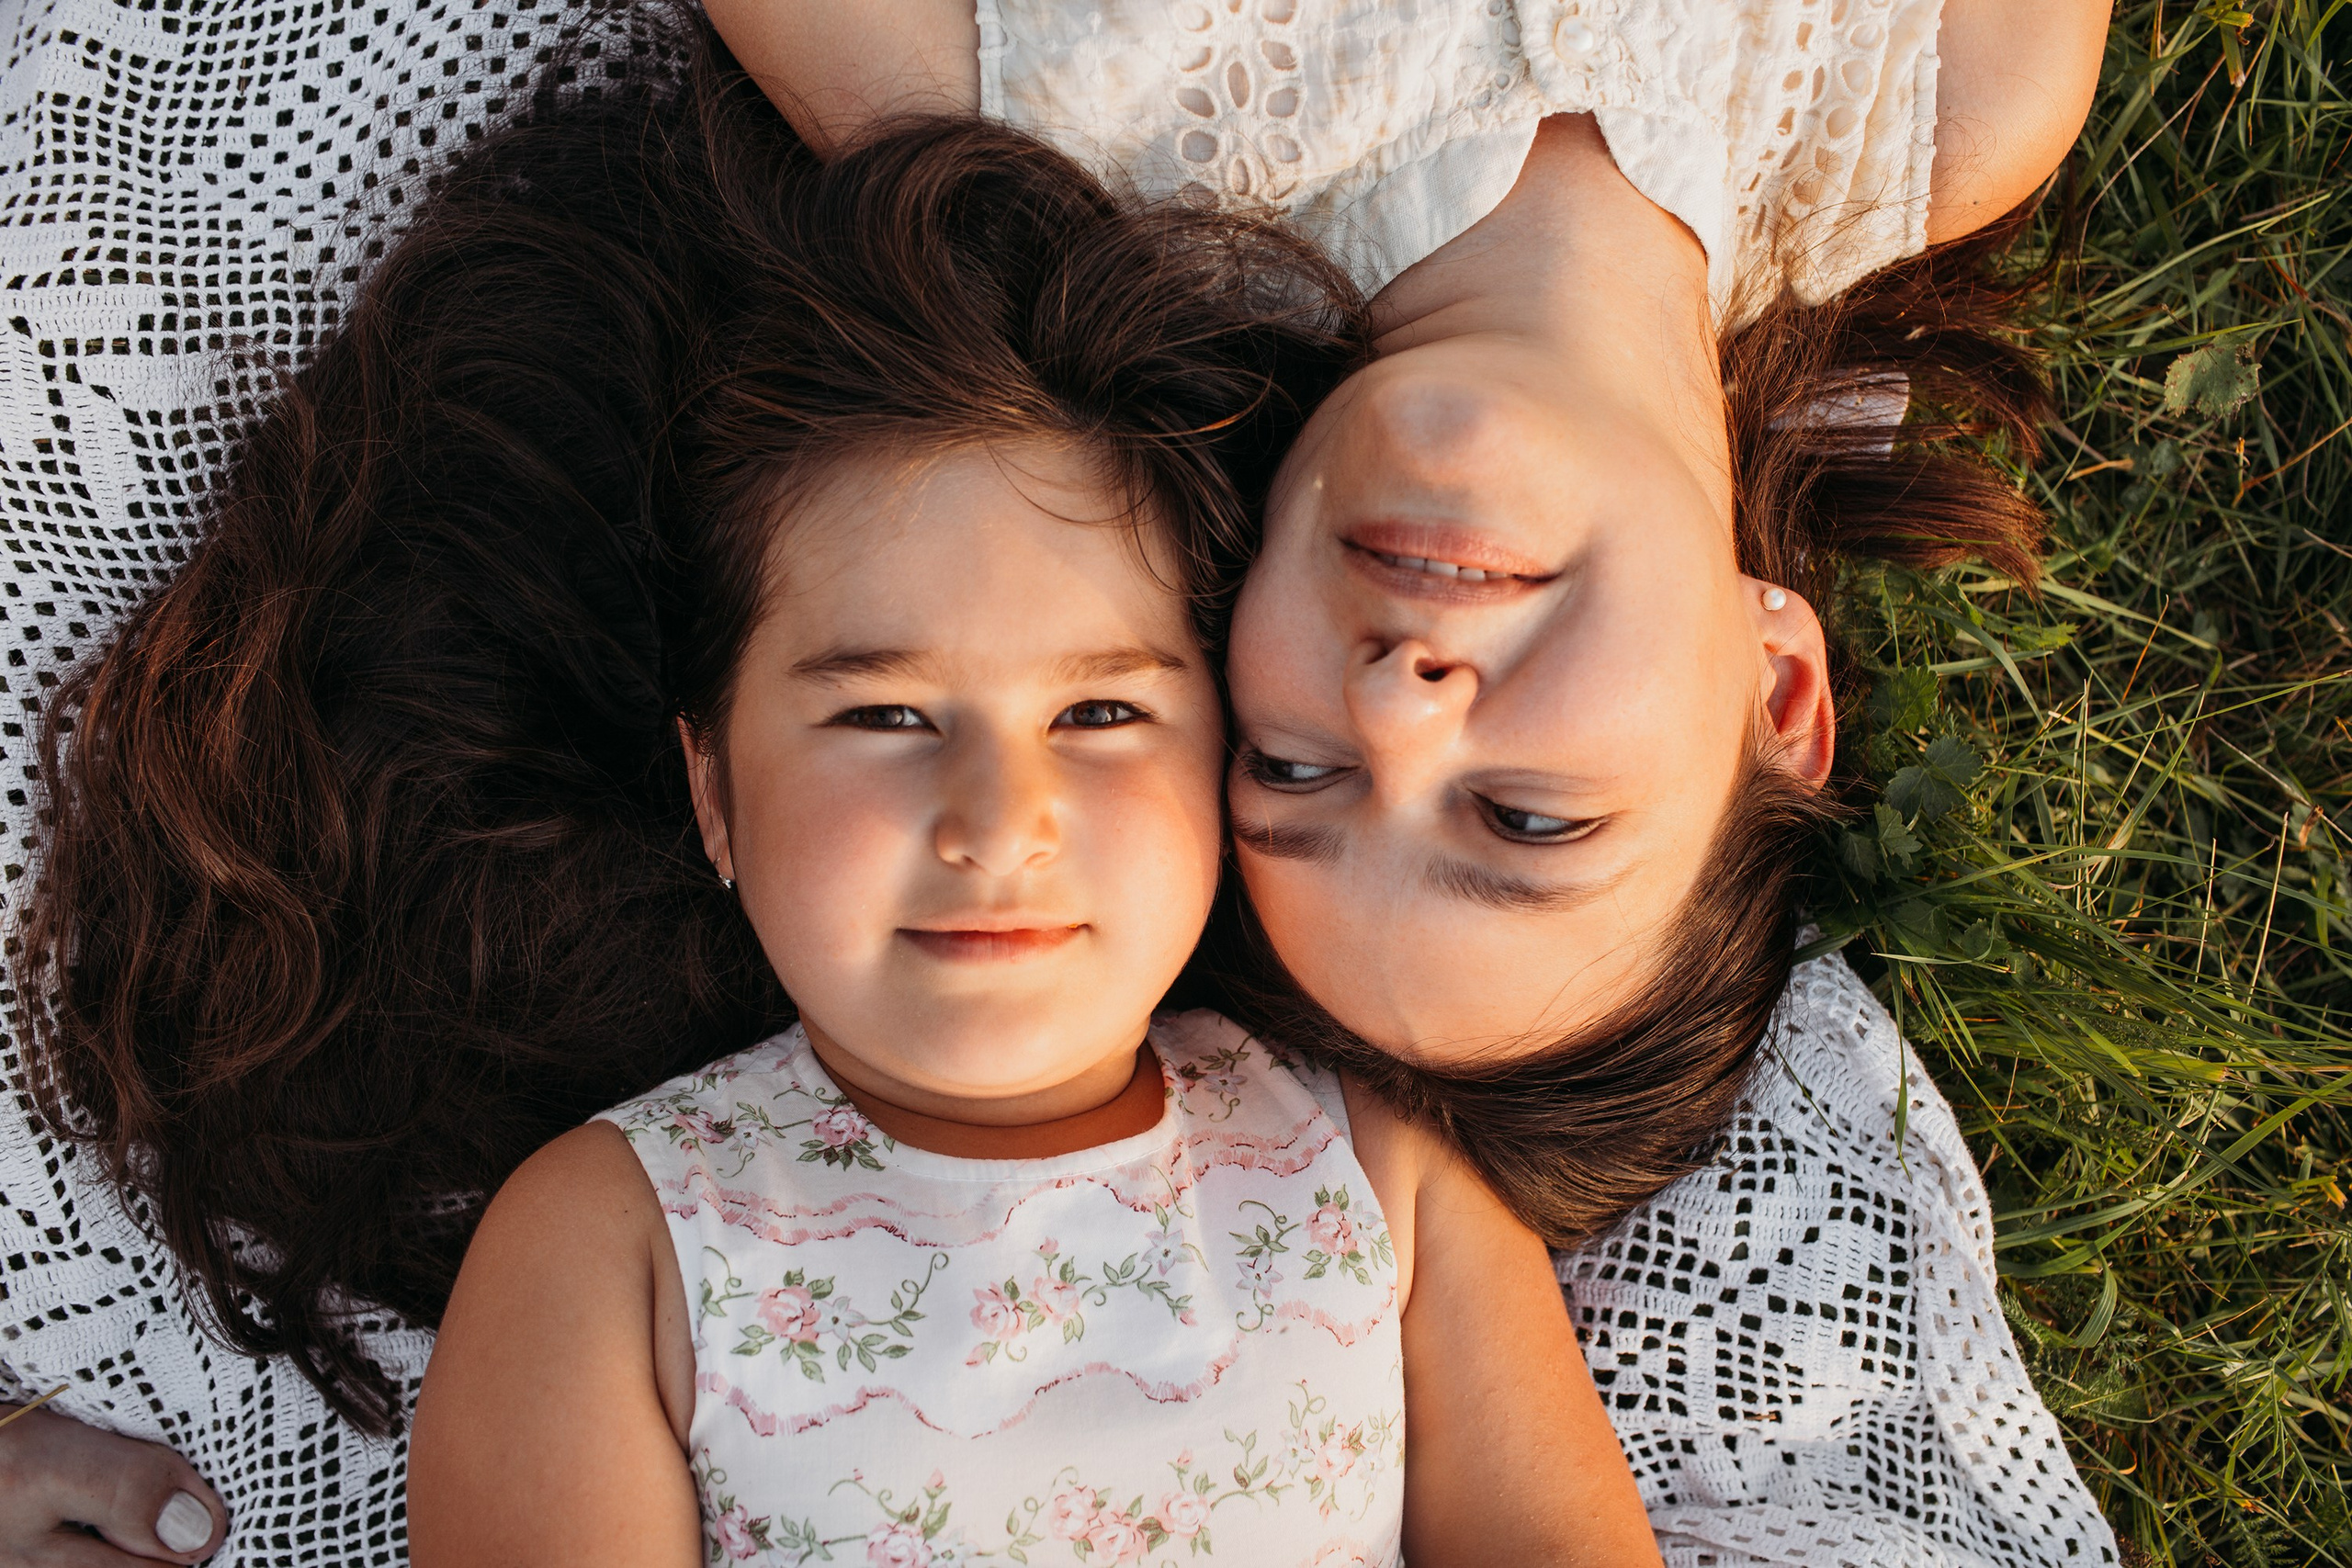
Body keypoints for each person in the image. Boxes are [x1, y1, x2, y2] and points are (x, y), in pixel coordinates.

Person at [0, 5, 2116, 1568]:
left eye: (1272, 760)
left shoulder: (1038, 112)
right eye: (1528, 815)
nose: (1398, 707)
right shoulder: (1947, 102)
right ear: (1777, 683)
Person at [391, 69, 1661, 1565]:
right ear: (715, 795)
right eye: (882, 718)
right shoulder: (613, 1246)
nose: (999, 824)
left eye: (1101, 715)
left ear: (1232, 750)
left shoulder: (1379, 1183)